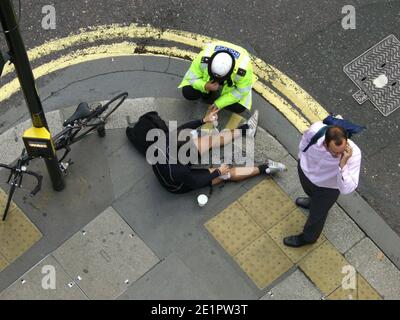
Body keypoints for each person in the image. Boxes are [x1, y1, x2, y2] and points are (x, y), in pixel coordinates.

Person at [152, 109, 286, 194]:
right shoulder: (178, 170)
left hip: (175, 161)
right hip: (178, 184)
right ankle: (266, 168)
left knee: (210, 140)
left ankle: (247, 129)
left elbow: (183, 127)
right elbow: (195, 182)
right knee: (226, 174)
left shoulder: (170, 138)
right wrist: (218, 171)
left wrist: (204, 120)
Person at [283, 122, 362, 248]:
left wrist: (343, 164)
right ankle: (312, 202)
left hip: (327, 189)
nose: (338, 155)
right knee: (311, 196)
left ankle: (309, 237)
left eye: (340, 152)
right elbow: (304, 141)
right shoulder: (315, 131)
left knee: (317, 216)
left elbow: (347, 188)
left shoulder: (354, 154)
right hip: (306, 173)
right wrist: (301, 159)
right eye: (334, 152)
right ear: (325, 144)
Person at [178, 41, 255, 114]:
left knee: (239, 107)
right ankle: (207, 92)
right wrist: (205, 86)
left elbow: (242, 92)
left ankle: (213, 95)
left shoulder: (243, 70)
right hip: (208, 82)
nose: (217, 80)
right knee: (188, 92)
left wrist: (220, 103)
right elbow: (191, 78)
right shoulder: (203, 58)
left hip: (234, 81)